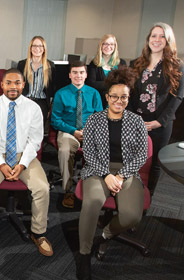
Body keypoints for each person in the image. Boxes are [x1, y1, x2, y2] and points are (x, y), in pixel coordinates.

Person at [76, 66, 148, 280]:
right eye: (114, 96)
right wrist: (106, 174)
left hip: (126, 171)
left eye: (124, 97)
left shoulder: (136, 122)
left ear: (128, 97)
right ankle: (83, 254)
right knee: (91, 203)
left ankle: (106, 233)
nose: (119, 101)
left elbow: (142, 153)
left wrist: (121, 175)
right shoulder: (94, 120)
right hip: (97, 169)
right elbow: (88, 151)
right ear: (107, 96)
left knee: (132, 216)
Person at [0, 68, 52, 257]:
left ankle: (39, 233)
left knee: (43, 188)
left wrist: (22, 164)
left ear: (23, 85)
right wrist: (1, 164)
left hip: (25, 156)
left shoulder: (34, 108)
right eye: (9, 82)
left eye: (17, 82)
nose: (13, 87)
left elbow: (35, 141)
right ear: (2, 85)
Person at [129, 22, 183, 195]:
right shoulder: (137, 64)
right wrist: (132, 119)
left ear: (168, 41)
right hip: (136, 121)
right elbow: (130, 94)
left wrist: (159, 122)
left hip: (160, 125)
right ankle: (128, 194)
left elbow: (177, 97)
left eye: (162, 36)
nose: (157, 40)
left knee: (154, 164)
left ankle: (146, 196)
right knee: (131, 159)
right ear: (148, 39)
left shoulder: (177, 66)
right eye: (154, 35)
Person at [51, 61, 103, 209]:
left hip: (90, 132)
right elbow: (55, 120)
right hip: (69, 131)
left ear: (86, 75)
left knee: (102, 150)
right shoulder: (61, 94)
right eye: (75, 72)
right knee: (65, 151)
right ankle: (67, 190)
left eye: (81, 72)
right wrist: (73, 131)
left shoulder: (94, 93)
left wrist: (88, 131)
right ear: (69, 75)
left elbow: (99, 117)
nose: (78, 76)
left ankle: (91, 188)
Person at [17, 35, 55, 129]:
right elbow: (17, 85)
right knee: (22, 129)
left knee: (37, 131)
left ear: (44, 49)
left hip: (41, 103)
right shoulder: (22, 64)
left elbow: (52, 88)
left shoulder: (50, 66)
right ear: (30, 48)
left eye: (40, 46)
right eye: (34, 46)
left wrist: (50, 106)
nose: (37, 48)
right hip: (24, 101)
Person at [87, 34, 126, 108]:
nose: (108, 47)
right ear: (101, 46)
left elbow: (125, 84)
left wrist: (104, 85)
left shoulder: (121, 63)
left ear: (115, 47)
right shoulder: (94, 63)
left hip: (118, 104)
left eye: (111, 44)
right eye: (105, 44)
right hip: (99, 103)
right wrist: (114, 84)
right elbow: (91, 84)